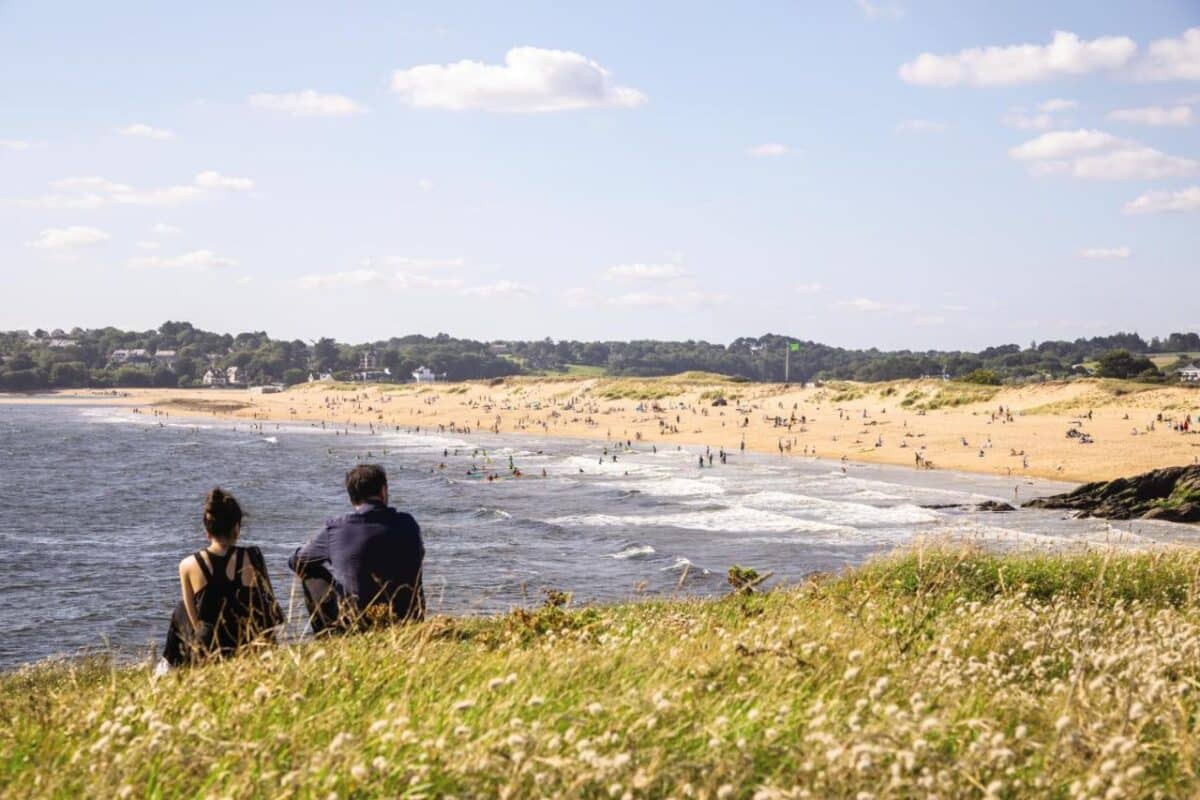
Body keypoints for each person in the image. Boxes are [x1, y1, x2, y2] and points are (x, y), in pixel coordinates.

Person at [289, 465, 425, 635]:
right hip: (410, 620)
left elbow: (296, 561)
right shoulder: (409, 523)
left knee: (309, 571)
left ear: (351, 497)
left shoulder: (337, 528)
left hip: (357, 624)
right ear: (383, 491)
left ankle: (328, 635)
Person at [160, 489, 283, 669]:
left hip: (210, 650)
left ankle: (167, 669)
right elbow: (269, 606)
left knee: (181, 609)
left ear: (207, 531)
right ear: (236, 529)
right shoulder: (253, 556)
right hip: (248, 643)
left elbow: (196, 623)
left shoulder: (187, 565)